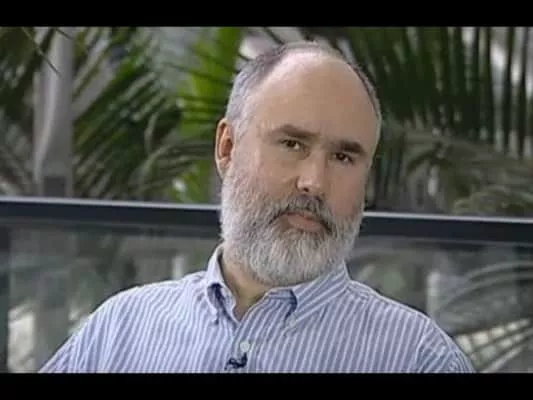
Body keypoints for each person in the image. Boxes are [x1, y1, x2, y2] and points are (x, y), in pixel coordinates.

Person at [40, 40, 475, 373]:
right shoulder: (120, 331)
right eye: (292, 144)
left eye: (344, 157)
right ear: (227, 148)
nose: (314, 182)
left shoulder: (418, 358)